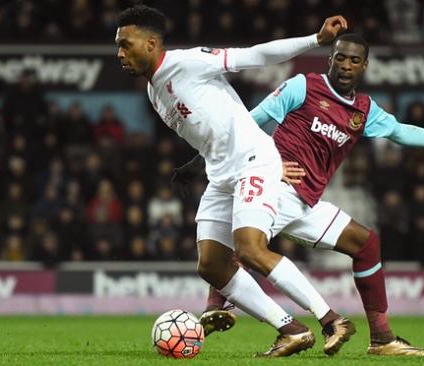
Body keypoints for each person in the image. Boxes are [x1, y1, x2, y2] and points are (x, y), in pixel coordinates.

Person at [172, 33, 424, 356]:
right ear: (330, 60)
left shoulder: (364, 110)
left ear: (364, 66)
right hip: (275, 184)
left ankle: (382, 340)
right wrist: (198, 162)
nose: (346, 65)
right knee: (249, 246)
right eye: (340, 57)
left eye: (354, 60)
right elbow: (249, 122)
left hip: (305, 200)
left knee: (366, 244)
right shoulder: (303, 87)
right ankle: (229, 305)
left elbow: (402, 132)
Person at [115, 5, 354, 357]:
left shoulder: (189, 62)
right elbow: (213, 131)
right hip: (222, 174)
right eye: (117, 46)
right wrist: (193, 167)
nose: (120, 53)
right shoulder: (154, 91)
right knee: (211, 264)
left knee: (250, 249)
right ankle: (290, 329)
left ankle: (332, 319)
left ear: (151, 44)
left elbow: (256, 55)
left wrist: (316, 40)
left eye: (126, 44)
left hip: (253, 162)